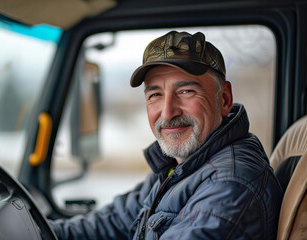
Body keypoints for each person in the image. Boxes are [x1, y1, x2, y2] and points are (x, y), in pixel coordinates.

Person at [49, 31, 284, 239]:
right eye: (155, 95)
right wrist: (41, 231)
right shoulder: (180, 166)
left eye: (186, 90)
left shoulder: (228, 187)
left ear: (224, 99)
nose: (168, 111)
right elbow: (115, 221)